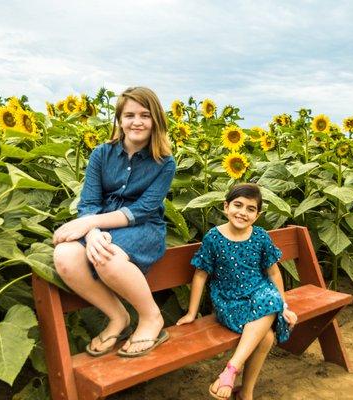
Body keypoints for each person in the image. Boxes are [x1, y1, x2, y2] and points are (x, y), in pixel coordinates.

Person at [53, 87, 176, 357]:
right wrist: (93, 229)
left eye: (145, 115)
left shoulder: (164, 163)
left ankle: (151, 316)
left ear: (156, 120)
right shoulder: (101, 154)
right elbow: (88, 202)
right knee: (64, 255)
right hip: (99, 223)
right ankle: (118, 316)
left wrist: (90, 225)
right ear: (119, 119)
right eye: (129, 115)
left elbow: (143, 210)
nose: (137, 121)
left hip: (143, 228)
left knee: (105, 257)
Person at [177, 183, 297, 400]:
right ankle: (238, 379)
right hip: (229, 300)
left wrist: (285, 306)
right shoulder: (214, 237)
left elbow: (274, 274)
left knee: (268, 320)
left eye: (250, 209)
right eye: (238, 205)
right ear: (226, 206)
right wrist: (191, 313)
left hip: (260, 294)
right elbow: (200, 275)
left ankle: (239, 381)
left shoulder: (260, 236)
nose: (243, 212)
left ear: (257, 215)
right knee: (267, 331)